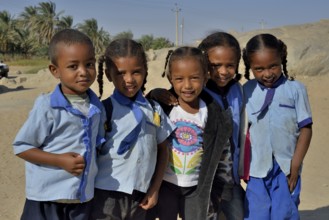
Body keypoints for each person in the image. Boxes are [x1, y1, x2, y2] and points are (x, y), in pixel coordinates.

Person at [12, 29, 104, 220]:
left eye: (89, 64)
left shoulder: (97, 107)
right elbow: (21, 147)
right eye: (73, 66)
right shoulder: (47, 106)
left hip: (81, 199)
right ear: (55, 70)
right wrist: (60, 160)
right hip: (46, 198)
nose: (83, 72)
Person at [90, 38, 176, 220]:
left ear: (145, 71)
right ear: (108, 74)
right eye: (121, 73)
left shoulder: (154, 109)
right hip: (106, 195)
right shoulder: (103, 110)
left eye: (136, 72)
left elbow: (163, 149)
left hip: (140, 196)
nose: (129, 80)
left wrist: (154, 189)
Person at [146, 46, 232, 220]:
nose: (187, 85)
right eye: (179, 79)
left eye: (194, 78)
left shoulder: (213, 113)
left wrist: (220, 190)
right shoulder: (163, 106)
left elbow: (222, 154)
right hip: (165, 186)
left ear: (205, 77)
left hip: (196, 188)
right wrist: (153, 95)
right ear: (170, 78)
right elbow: (144, 117)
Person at [242, 33, 313, 220]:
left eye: (273, 65)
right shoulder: (246, 90)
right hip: (256, 167)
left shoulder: (296, 89)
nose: (267, 73)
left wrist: (295, 165)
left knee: (284, 213)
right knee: (256, 213)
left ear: (281, 57)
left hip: (286, 167)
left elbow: (306, 128)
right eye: (259, 69)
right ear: (250, 67)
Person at [198, 32, 247, 220]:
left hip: (231, 176)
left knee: (238, 214)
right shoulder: (197, 92)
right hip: (204, 179)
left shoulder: (239, 91)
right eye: (216, 65)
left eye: (230, 65)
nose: (223, 71)